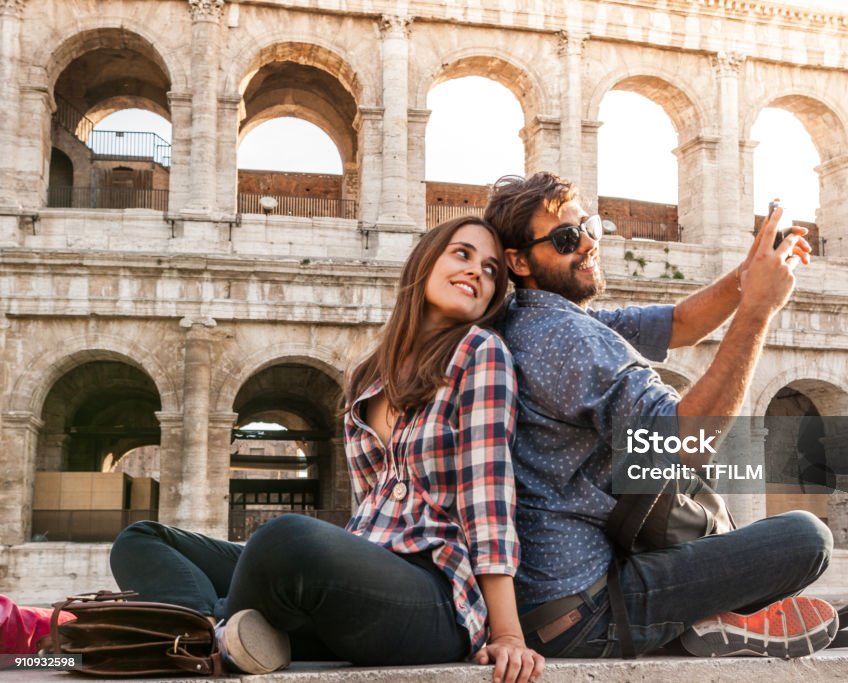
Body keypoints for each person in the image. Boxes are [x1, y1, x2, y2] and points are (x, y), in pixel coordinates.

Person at [110, 216, 544, 683]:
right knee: (141, 539)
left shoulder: (480, 351)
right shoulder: (368, 375)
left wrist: (508, 635)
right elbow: (367, 506)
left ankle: (212, 632)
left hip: (434, 594)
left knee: (285, 538)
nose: (477, 271)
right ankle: (214, 631)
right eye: (462, 254)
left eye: (492, 269)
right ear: (425, 261)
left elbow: (488, 493)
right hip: (360, 579)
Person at [482, 172, 837, 659]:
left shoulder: (531, 318)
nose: (588, 242)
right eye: (567, 238)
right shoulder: (570, 339)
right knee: (806, 539)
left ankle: (713, 623)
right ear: (518, 261)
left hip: (549, 607)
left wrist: (746, 275)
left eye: (588, 226)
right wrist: (758, 309)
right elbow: (685, 442)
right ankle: (705, 622)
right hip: (589, 614)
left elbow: (680, 324)